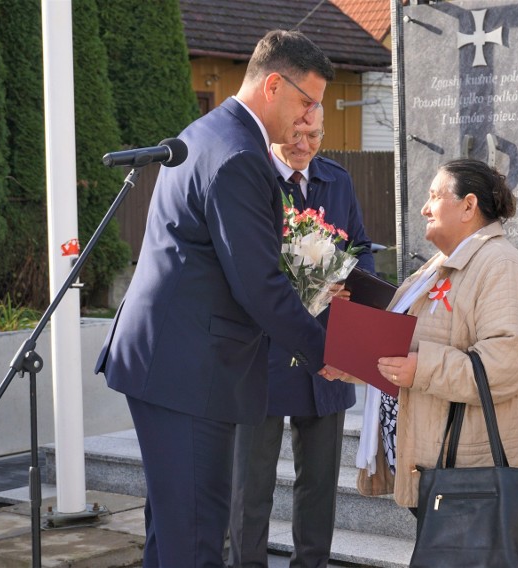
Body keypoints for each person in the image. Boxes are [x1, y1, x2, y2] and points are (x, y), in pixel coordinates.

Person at [95, 30, 335, 567]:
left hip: (169, 361)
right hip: (191, 371)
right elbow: (259, 285)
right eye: (306, 103)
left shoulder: (207, 132)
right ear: (274, 84)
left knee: (173, 535)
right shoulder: (239, 156)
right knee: (198, 542)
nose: (308, 119)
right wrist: (328, 354)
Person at [325, 158, 518, 514]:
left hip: (472, 467)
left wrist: (420, 369)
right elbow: (401, 342)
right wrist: (349, 360)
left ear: (468, 206)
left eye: (435, 196)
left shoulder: (503, 267)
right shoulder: (436, 266)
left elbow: (509, 360)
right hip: (432, 462)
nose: (424, 208)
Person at [227, 107, 374, 568]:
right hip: (263, 352)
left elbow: (361, 245)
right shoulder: (252, 180)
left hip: (327, 352)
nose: (303, 144)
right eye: (296, 133)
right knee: (251, 482)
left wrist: (355, 280)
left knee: (320, 482)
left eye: (314, 135)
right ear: (277, 130)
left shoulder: (337, 180)